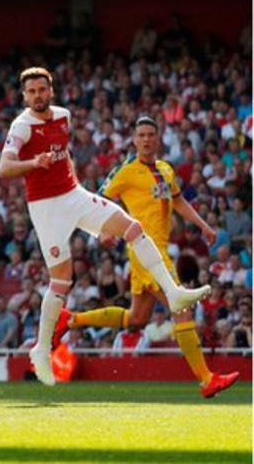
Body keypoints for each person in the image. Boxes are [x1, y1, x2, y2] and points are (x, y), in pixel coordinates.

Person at [0, 67, 210, 386]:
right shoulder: (22, 126)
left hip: (73, 194)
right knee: (61, 280)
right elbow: (4, 168)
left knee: (133, 228)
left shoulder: (63, 116)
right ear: (24, 95)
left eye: (42, 89)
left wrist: (92, 224)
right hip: (45, 207)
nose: (38, 95)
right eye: (32, 91)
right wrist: (33, 163)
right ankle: (41, 349)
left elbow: (65, 155)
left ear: (51, 91)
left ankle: (175, 293)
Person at [57, 117, 237, 397]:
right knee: (182, 309)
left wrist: (203, 226)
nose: (146, 139)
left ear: (158, 137)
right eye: (141, 134)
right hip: (144, 251)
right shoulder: (126, 170)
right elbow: (98, 199)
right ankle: (206, 379)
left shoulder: (165, 169)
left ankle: (70, 320)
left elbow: (177, 201)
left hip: (160, 250)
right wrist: (102, 230)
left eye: (151, 134)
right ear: (134, 139)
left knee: (137, 319)